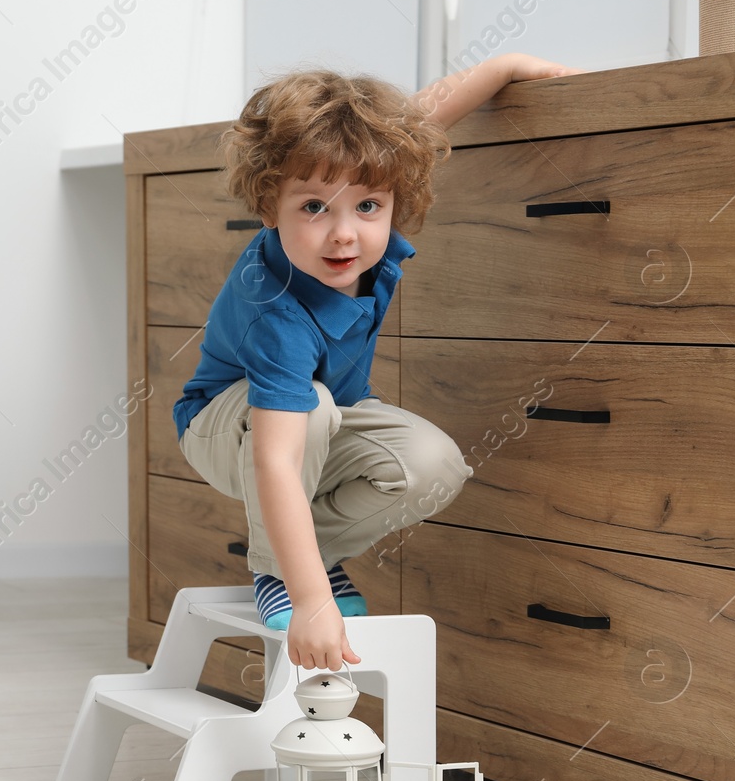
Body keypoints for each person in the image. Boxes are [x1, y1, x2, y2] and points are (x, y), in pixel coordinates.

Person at [172, 53, 585, 672]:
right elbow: (277, 460)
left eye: (367, 207)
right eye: (314, 207)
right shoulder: (276, 312)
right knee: (307, 408)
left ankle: (294, 555)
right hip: (226, 429)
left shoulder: (369, 215)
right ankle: (282, 572)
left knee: (435, 464)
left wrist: (504, 67)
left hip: (327, 417)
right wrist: (313, 602)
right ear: (268, 207)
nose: (344, 234)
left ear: (393, 197)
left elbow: (421, 118)